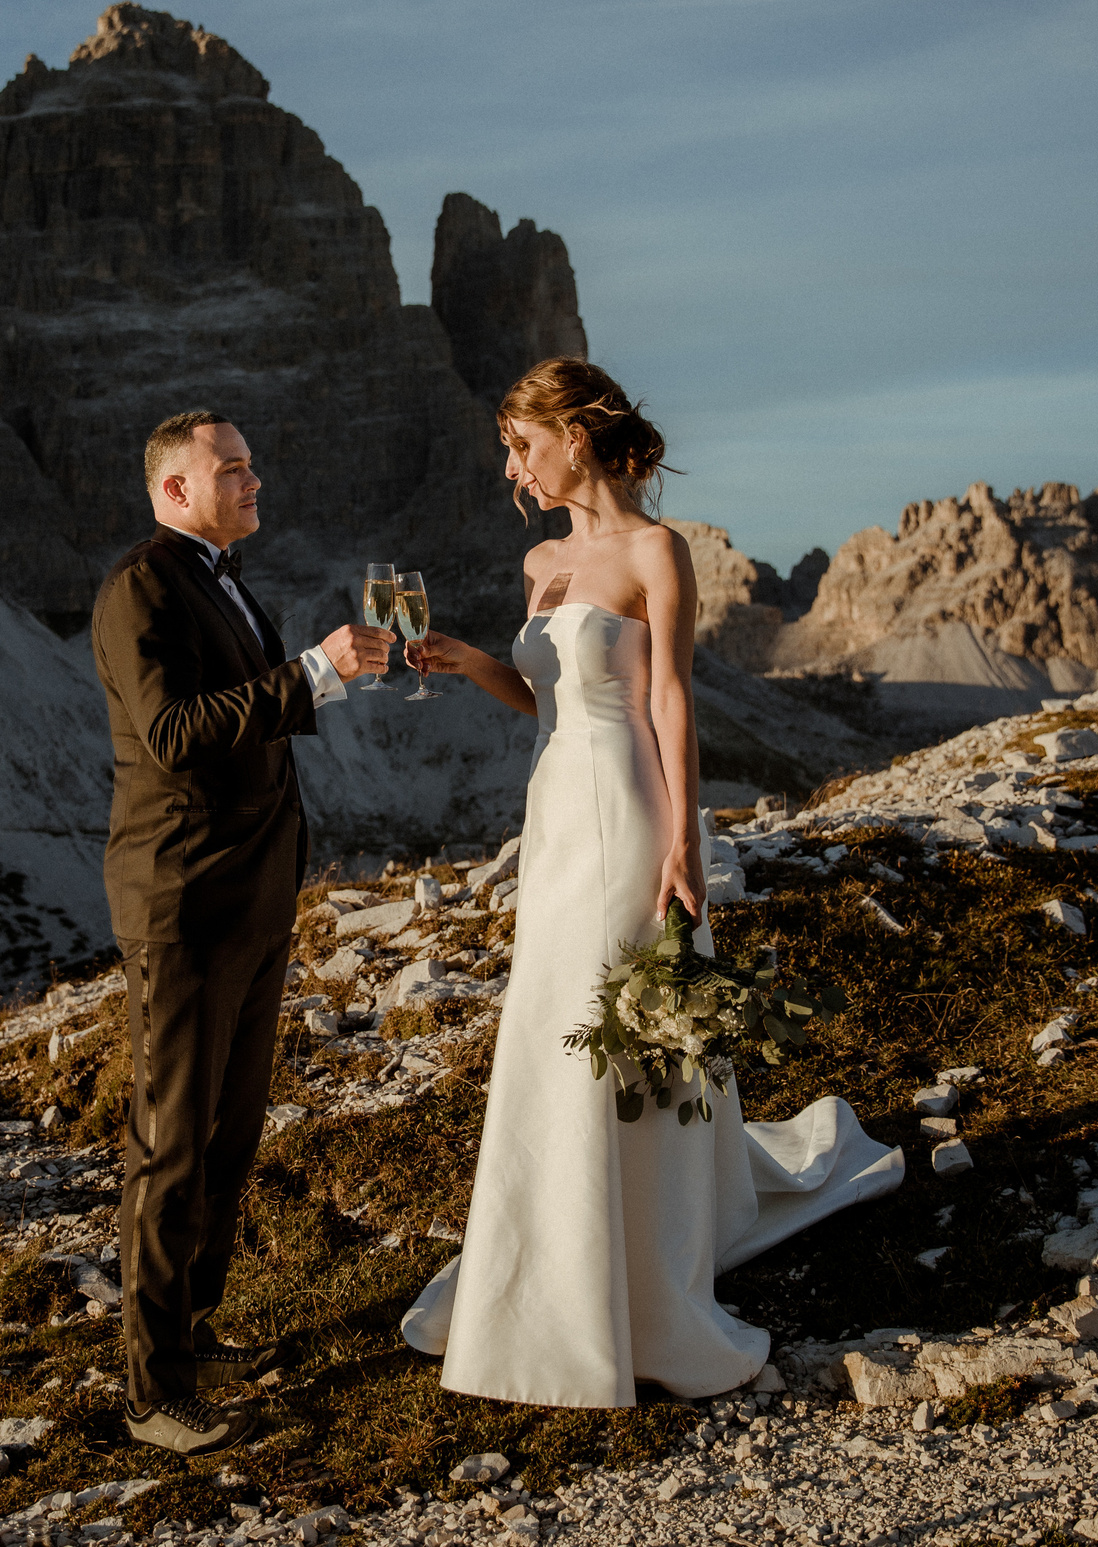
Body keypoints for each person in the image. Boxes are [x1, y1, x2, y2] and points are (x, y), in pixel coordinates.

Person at [395, 358, 902, 1407]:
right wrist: (469, 662)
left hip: (627, 811)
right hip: (553, 817)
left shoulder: (655, 551)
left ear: (575, 438)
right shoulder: (539, 561)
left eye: (521, 446)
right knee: (553, 1019)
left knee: (625, 1018)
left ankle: (644, 1268)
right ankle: (556, 1250)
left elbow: (668, 697)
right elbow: (544, 699)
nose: (512, 469)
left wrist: (683, 840)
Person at [90, 410, 394, 1453]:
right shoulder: (141, 588)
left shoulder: (221, 578)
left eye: (252, 464)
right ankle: (152, 1393)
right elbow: (173, 735)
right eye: (231, 468)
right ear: (173, 490)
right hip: (182, 904)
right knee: (171, 1143)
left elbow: (246, 717)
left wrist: (332, 679)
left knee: (229, 1134)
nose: (253, 479)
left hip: (251, 900)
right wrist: (312, 672)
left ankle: (194, 1331)